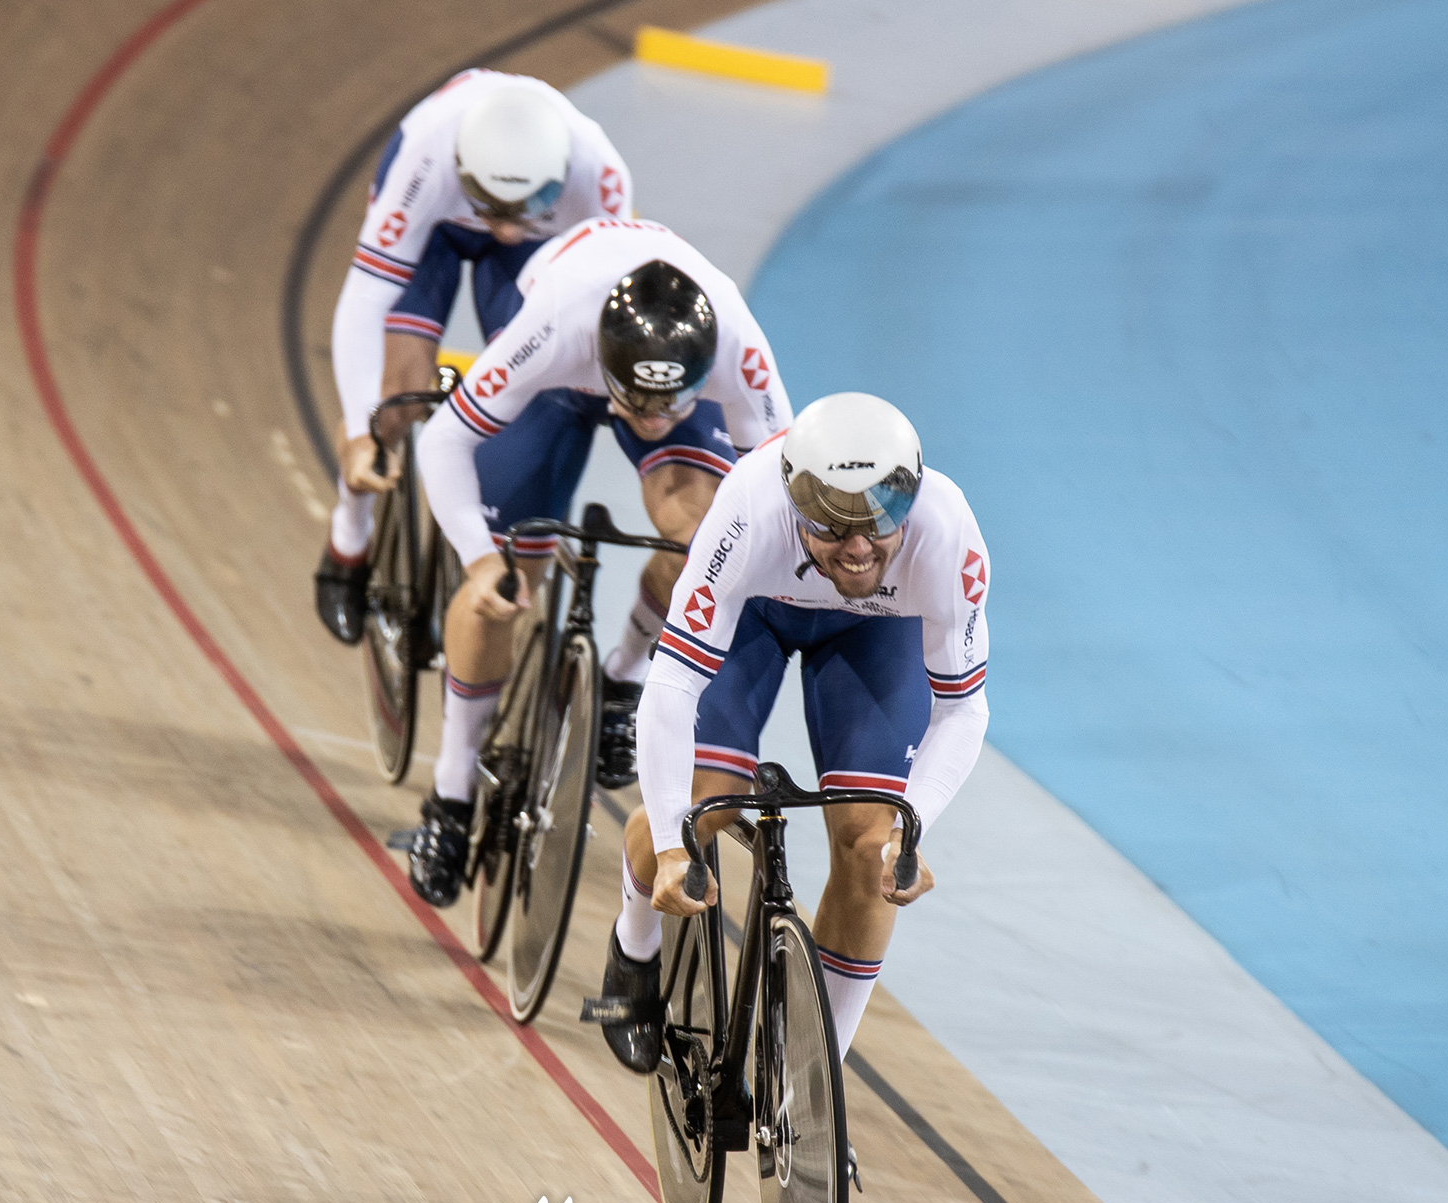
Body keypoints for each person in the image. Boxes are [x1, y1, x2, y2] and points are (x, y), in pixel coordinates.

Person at [403, 216, 795, 907]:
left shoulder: (736, 341)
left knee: (700, 538)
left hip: (643, 372)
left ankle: (623, 673)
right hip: (559, 383)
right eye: (638, 403)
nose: (650, 416)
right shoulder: (558, 324)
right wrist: (475, 558)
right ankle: (452, 788)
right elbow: (443, 440)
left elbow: (774, 490)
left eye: (666, 403)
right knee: (504, 584)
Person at [594, 392, 990, 1073]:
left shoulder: (945, 533)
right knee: (702, 804)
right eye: (834, 527)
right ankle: (632, 953)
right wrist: (667, 845)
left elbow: (964, 709)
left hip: (872, 633)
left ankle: (812, 1081)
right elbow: (671, 681)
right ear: (798, 503)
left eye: (880, 522)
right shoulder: (751, 507)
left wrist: (910, 827)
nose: (860, 547)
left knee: (874, 854)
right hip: (756, 614)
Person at [315, 69, 633, 644]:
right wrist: (364, 431)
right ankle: (349, 536)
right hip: (435, 225)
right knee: (395, 397)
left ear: (558, 179)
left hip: (546, 246)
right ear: (465, 174)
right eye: (493, 208)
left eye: (527, 207)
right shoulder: (428, 154)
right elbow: (365, 297)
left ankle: (479, 522)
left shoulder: (599, 175)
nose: (507, 230)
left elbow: (585, 308)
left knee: (533, 388)